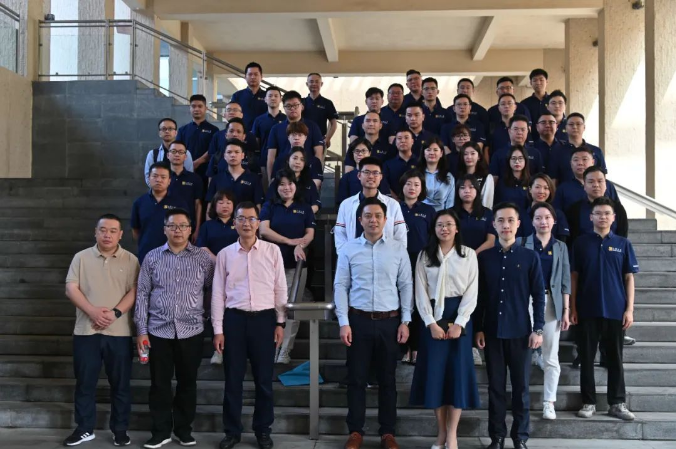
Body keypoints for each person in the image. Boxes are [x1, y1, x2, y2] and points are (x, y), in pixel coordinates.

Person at [334, 197, 413, 449]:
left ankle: (387, 433)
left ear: (386, 219)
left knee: (388, 380)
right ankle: (355, 431)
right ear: (360, 220)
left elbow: (406, 285)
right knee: (356, 379)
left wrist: (406, 320)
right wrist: (343, 322)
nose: (373, 220)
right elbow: (340, 286)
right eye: (368, 216)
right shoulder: (348, 249)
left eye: (378, 216)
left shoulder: (398, 249)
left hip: (390, 322)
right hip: (358, 321)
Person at [134, 209, 215, 449]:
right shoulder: (152, 257)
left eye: (183, 226)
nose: (177, 230)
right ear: (165, 229)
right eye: (172, 226)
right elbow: (142, 294)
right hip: (158, 330)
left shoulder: (202, 258)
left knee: (187, 383)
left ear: (190, 230)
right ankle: (160, 432)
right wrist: (141, 330)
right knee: (159, 384)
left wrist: (207, 317)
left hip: (192, 330)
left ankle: (183, 430)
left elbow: (213, 289)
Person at [211, 202, 287, 449]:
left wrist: (280, 322)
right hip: (234, 320)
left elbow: (280, 288)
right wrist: (218, 330)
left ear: (258, 223)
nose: (246, 223)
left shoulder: (272, 251)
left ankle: (263, 430)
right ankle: (232, 431)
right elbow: (217, 294)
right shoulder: (225, 254)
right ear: (234, 223)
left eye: (251, 219)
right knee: (233, 380)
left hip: (264, 320)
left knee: (264, 380)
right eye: (241, 219)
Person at [62, 214, 140, 447]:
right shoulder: (81, 257)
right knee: (85, 383)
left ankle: (120, 430)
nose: (107, 235)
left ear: (121, 234)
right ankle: (84, 429)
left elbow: (135, 291)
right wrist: (92, 311)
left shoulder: (131, 260)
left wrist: (115, 313)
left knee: (121, 385)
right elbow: (71, 288)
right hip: (86, 331)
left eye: (113, 231)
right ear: (95, 232)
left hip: (120, 333)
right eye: (103, 230)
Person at [474, 202, 545, 449]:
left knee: (521, 388)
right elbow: (479, 297)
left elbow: (539, 296)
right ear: (493, 224)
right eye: (501, 221)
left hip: (521, 333)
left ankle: (520, 437)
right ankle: (496, 437)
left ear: (518, 224)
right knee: (495, 388)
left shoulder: (530, 257)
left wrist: (538, 329)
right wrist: (478, 328)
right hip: (492, 332)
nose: (506, 225)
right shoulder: (484, 258)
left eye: (510, 220)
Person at [410, 209, 480, 449]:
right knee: (436, 378)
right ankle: (440, 434)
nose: (444, 229)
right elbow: (420, 291)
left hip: (459, 316)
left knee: (456, 378)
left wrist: (460, 322)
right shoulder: (425, 255)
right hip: (432, 318)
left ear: (457, 228)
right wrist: (430, 323)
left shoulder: (468, 254)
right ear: (434, 229)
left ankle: (452, 435)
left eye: (449, 224)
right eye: (440, 225)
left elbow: (472, 291)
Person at [571, 197, 639, 422]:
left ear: (614, 217)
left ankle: (617, 403)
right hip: (587, 309)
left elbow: (629, 278)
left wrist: (629, 309)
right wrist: (572, 307)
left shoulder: (623, 244)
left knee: (615, 359)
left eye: (607, 213)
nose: (602, 217)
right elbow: (574, 277)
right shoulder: (581, 243)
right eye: (598, 213)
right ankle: (588, 402)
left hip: (615, 309)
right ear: (591, 217)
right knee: (587, 358)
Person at [521, 202, 571, 420]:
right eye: (538, 218)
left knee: (551, 356)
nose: (543, 221)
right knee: (521, 351)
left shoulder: (560, 247)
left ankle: (549, 402)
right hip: (525, 301)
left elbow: (565, 281)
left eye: (547, 217)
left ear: (554, 221)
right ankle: (520, 399)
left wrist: (566, 310)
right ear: (532, 222)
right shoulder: (522, 243)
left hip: (551, 302)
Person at [260, 169, 316, 364]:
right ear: (276, 187)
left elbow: (310, 234)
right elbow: (263, 230)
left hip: (296, 266)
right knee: (271, 307)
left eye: (290, 183)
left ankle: (285, 350)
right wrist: (289, 241)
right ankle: (271, 347)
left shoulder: (305, 208)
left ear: (295, 186)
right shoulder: (270, 206)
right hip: (269, 266)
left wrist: (300, 245)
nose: (286, 187)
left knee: (291, 308)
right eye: (282, 184)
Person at [398, 170, 435, 365]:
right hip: (398, 262)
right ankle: (404, 347)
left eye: (416, 184)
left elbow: (434, 238)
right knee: (403, 304)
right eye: (408, 184)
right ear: (402, 186)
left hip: (422, 262)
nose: (412, 188)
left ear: (422, 189)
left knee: (420, 304)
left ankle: (417, 348)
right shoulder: (395, 208)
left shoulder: (428, 211)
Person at [335, 157, 407, 253]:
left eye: (375, 173)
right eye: (366, 172)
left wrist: (395, 258)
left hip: (385, 258)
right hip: (354, 257)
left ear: (381, 177)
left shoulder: (393, 205)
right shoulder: (346, 204)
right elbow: (340, 236)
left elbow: (400, 236)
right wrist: (346, 257)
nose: (371, 176)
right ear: (359, 175)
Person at [131, 163, 189, 263]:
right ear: (149, 178)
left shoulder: (180, 203)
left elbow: (185, 228)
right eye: (155, 176)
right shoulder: (139, 203)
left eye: (163, 177)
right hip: (146, 254)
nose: (158, 180)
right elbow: (135, 230)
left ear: (169, 181)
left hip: (173, 256)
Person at [266, 90, 324, 183]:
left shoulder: (313, 126)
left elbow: (318, 153)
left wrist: (316, 173)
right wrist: (270, 180)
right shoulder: (276, 129)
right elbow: (271, 157)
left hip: (307, 173)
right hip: (283, 173)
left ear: (302, 106)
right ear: (284, 108)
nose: (292, 108)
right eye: (288, 106)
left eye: (296, 105)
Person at [566, 166, 628, 245]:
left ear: (606, 184)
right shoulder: (574, 209)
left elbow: (622, 237)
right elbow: (572, 239)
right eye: (591, 182)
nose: (596, 185)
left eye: (600, 181)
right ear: (584, 186)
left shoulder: (617, 208)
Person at [553, 147, 619, 212]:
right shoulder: (563, 188)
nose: (580, 163)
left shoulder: (608, 185)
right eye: (576, 160)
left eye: (584, 159)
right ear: (571, 164)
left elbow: (618, 210)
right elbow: (557, 213)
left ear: (593, 162)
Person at [205, 139, 264, 212]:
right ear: (224, 156)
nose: (233, 155)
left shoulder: (254, 179)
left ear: (242, 155)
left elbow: (258, 205)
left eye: (237, 152)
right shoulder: (216, 179)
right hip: (221, 219)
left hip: (245, 218)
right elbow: (210, 206)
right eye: (229, 152)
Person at [548, 112, 607, 184]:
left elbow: (602, 177)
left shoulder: (596, 151)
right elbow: (553, 179)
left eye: (578, 124)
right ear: (566, 128)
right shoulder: (557, 151)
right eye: (571, 124)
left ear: (584, 127)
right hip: (566, 190)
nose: (575, 127)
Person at [166, 140, 204, 243]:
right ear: (168, 155)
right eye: (173, 151)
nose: (177, 155)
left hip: (187, 227)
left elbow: (198, 205)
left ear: (185, 156)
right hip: (166, 226)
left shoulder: (195, 179)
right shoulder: (163, 178)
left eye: (180, 152)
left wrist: (197, 229)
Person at [176, 94, 219, 178]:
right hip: (186, 170)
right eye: (193, 106)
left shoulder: (214, 130)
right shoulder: (182, 130)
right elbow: (179, 149)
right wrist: (189, 164)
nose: (196, 109)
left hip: (206, 172)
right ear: (190, 108)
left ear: (206, 108)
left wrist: (197, 162)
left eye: (200, 106)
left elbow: (213, 150)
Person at [266, 147, 321, 213]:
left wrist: (303, 215)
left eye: (302, 160)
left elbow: (315, 205)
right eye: (295, 158)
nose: (298, 162)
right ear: (288, 160)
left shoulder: (309, 182)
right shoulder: (278, 180)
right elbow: (268, 203)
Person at [518, 174, 569, 242]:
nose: (541, 191)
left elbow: (562, 241)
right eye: (537, 187)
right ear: (530, 189)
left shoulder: (558, 214)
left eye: (546, 188)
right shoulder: (521, 215)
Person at [489, 115, 543, 180]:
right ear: (509, 131)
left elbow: (539, 178)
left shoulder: (535, 153)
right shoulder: (498, 154)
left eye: (523, 129)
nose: (519, 132)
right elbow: (494, 179)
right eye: (516, 129)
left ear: (527, 131)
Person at [337, 139, 391, 205]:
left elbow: (385, 199)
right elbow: (342, 202)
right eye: (357, 151)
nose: (360, 154)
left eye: (363, 151)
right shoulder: (346, 178)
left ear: (369, 153)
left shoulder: (377, 175)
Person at [453, 174, 496, 255]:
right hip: (456, 256)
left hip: (481, 257)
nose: (467, 191)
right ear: (457, 191)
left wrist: (473, 255)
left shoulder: (487, 213)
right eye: (462, 187)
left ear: (477, 190)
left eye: (471, 187)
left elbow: (491, 241)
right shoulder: (450, 213)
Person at [144, 118, 193, 186]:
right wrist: (159, 189)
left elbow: (189, 175)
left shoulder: (185, 153)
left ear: (175, 133)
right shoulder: (153, 154)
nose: (167, 131)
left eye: (170, 129)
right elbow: (148, 177)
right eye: (164, 129)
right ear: (159, 133)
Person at [252, 86, 286, 179]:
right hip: (264, 161)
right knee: (267, 186)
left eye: (276, 96)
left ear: (280, 99)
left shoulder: (286, 119)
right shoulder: (259, 120)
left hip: (285, 161)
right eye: (270, 96)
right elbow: (256, 142)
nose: (273, 98)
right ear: (265, 99)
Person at [197, 190, 238, 261]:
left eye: (228, 203)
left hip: (236, 263)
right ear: (214, 205)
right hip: (211, 264)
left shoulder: (239, 225)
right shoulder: (207, 226)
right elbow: (202, 247)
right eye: (221, 203)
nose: (225, 206)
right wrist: (217, 261)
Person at [282, 121, 324, 189]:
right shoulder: (280, 159)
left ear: (306, 137)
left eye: (300, 135)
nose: (296, 138)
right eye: (293, 135)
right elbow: (275, 182)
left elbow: (316, 183)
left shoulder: (314, 161)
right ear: (288, 137)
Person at [417, 136, 455, 210]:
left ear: (441, 153)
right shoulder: (416, 175)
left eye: (435, 150)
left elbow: (450, 203)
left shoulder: (448, 177)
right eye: (428, 150)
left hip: (442, 214)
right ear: (423, 153)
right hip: (420, 213)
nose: (432, 153)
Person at [303, 73, 339, 147]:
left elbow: (333, 123)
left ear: (321, 84)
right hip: (302, 139)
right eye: (311, 81)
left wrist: (328, 138)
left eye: (317, 81)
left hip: (320, 139)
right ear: (307, 84)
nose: (314, 84)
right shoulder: (301, 102)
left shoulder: (327, 103)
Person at [231, 62, 267, 131]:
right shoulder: (237, 96)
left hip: (263, 133)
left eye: (256, 74)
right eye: (250, 74)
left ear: (261, 77)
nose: (253, 77)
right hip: (242, 133)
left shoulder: (267, 96)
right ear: (245, 77)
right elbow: (233, 116)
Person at [383, 128, 418, 199]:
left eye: (406, 138)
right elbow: (385, 184)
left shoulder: (420, 162)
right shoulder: (388, 164)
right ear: (395, 142)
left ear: (412, 141)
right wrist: (395, 200)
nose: (403, 141)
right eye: (399, 138)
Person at [457, 142, 494, 208]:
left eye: (472, 153)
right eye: (465, 154)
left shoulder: (487, 177)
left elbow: (488, 203)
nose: (469, 157)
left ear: (479, 156)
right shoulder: (457, 176)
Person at [494, 146, 531, 212]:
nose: (517, 162)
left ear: (525, 160)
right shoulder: (501, 183)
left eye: (520, 158)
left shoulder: (531, 182)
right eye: (513, 158)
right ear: (509, 161)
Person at [521, 68, 550, 141]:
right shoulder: (524, 103)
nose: (538, 83)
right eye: (535, 80)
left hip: (551, 139)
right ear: (531, 83)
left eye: (541, 80)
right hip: (532, 140)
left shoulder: (553, 101)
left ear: (547, 82)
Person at [486, 94, 517, 160]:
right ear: (499, 108)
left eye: (509, 103)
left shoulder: (521, 126)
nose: (506, 106)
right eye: (503, 104)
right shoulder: (492, 127)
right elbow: (486, 148)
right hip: (496, 162)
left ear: (515, 107)